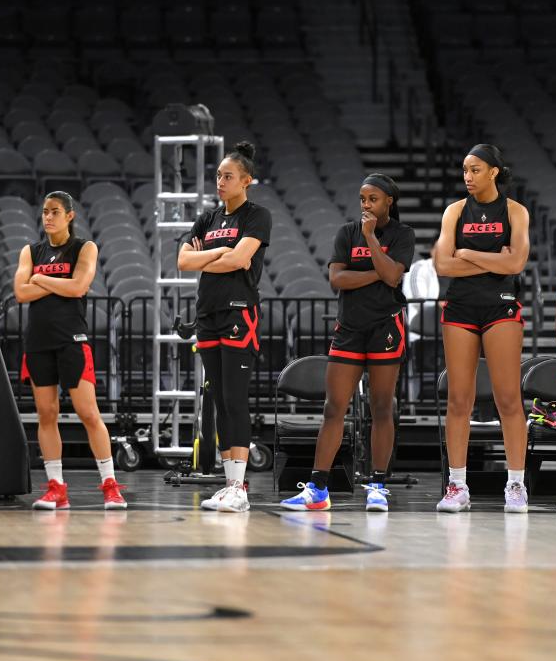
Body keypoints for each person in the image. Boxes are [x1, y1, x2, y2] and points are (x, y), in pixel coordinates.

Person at [281, 174, 415, 512]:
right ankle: (318, 488)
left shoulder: (403, 235)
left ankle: (378, 485)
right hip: (350, 329)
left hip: (385, 327)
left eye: (373, 199)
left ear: (389, 202)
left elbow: (394, 276)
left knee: (382, 408)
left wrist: (371, 240)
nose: (366, 205)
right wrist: (378, 274)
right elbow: (337, 278)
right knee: (333, 407)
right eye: (362, 199)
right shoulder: (346, 232)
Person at [431, 144, 530, 512]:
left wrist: (468, 254)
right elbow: (442, 265)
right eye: (465, 170)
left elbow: (516, 262)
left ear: (494, 172)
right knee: (459, 399)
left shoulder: (514, 211)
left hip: (500, 306)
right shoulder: (454, 211)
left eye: (475, 170)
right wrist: (493, 260)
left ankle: (516, 484)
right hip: (460, 307)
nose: (468, 177)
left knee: (507, 398)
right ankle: (457, 486)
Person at [14, 190, 128, 511]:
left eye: (54, 212)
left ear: (69, 216)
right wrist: (53, 282)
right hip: (37, 343)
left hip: (72, 340)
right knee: (46, 414)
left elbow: (79, 287)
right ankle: (56, 488)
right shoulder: (30, 251)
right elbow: (20, 293)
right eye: (44, 212)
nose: (47, 217)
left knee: (88, 413)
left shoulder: (84, 247)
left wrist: (40, 278)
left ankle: (109, 485)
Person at [178, 141, 272, 513]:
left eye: (228, 176)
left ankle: (239, 486)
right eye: (218, 175)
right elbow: (183, 261)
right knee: (218, 399)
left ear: (246, 180)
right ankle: (229, 484)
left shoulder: (257, 216)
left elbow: (240, 259)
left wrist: (211, 256)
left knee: (235, 399)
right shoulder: (208, 218)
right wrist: (218, 256)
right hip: (208, 314)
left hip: (238, 315)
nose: (220, 181)